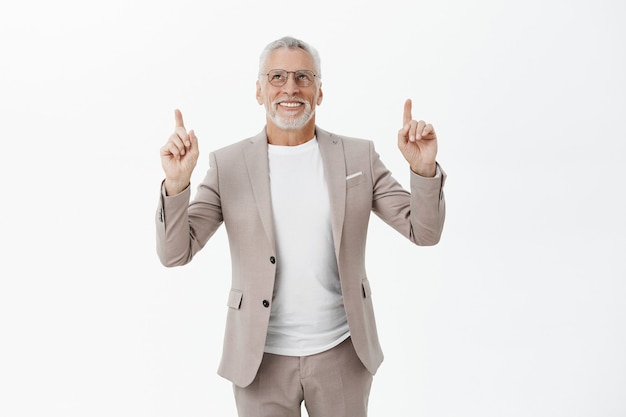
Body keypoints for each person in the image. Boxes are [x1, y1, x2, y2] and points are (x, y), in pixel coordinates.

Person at [156, 36, 446, 417]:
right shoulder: (227, 165)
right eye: (276, 77)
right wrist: (176, 184)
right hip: (259, 361)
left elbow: (423, 231)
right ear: (259, 91)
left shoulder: (359, 156)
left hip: (343, 353)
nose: (290, 88)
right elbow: (175, 253)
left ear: (320, 91)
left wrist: (423, 169)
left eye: (303, 77)